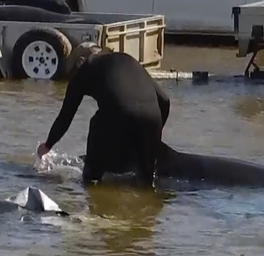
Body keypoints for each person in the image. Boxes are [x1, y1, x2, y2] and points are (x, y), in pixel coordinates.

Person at [36, 44, 171, 188]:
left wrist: (48, 145)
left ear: (80, 61)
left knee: (91, 182)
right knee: (147, 184)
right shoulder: (128, 59)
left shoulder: (86, 68)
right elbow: (165, 101)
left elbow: (66, 116)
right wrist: (152, 136)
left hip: (119, 116)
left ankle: (93, 185)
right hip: (152, 119)